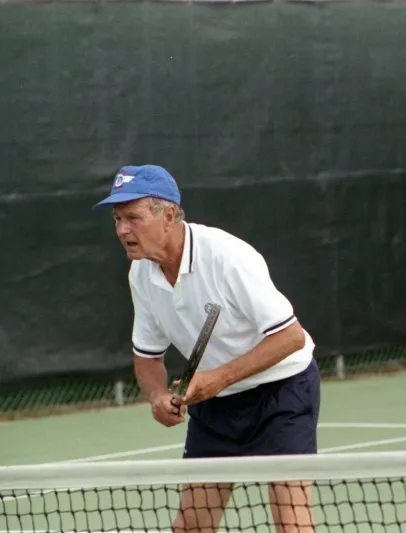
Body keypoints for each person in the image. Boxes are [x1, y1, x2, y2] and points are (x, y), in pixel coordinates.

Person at [93, 164, 320, 532]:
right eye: (118, 219)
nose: (122, 230)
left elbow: (291, 337)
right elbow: (148, 355)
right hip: (214, 405)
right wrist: (155, 396)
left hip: (282, 392)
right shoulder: (141, 274)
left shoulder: (228, 259)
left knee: (291, 523)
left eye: (133, 218)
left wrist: (217, 378)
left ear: (168, 215)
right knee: (191, 527)